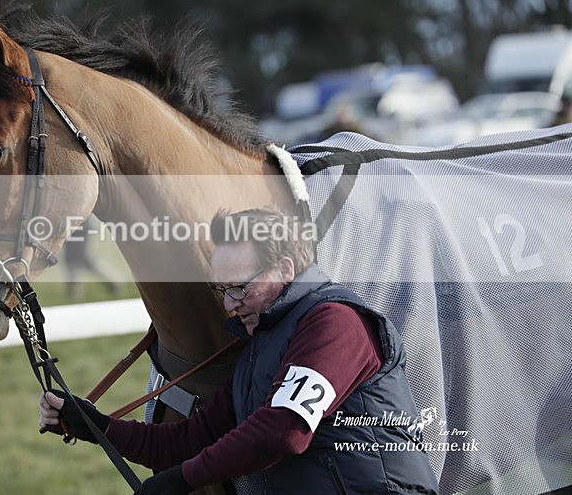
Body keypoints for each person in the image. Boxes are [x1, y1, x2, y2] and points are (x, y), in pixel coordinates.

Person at [40, 207, 439, 494]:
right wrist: (97, 426)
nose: (229, 303)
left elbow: (283, 431)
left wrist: (181, 480)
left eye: (239, 287)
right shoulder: (259, 348)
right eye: (222, 290)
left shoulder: (334, 323)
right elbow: (186, 441)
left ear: (284, 270)